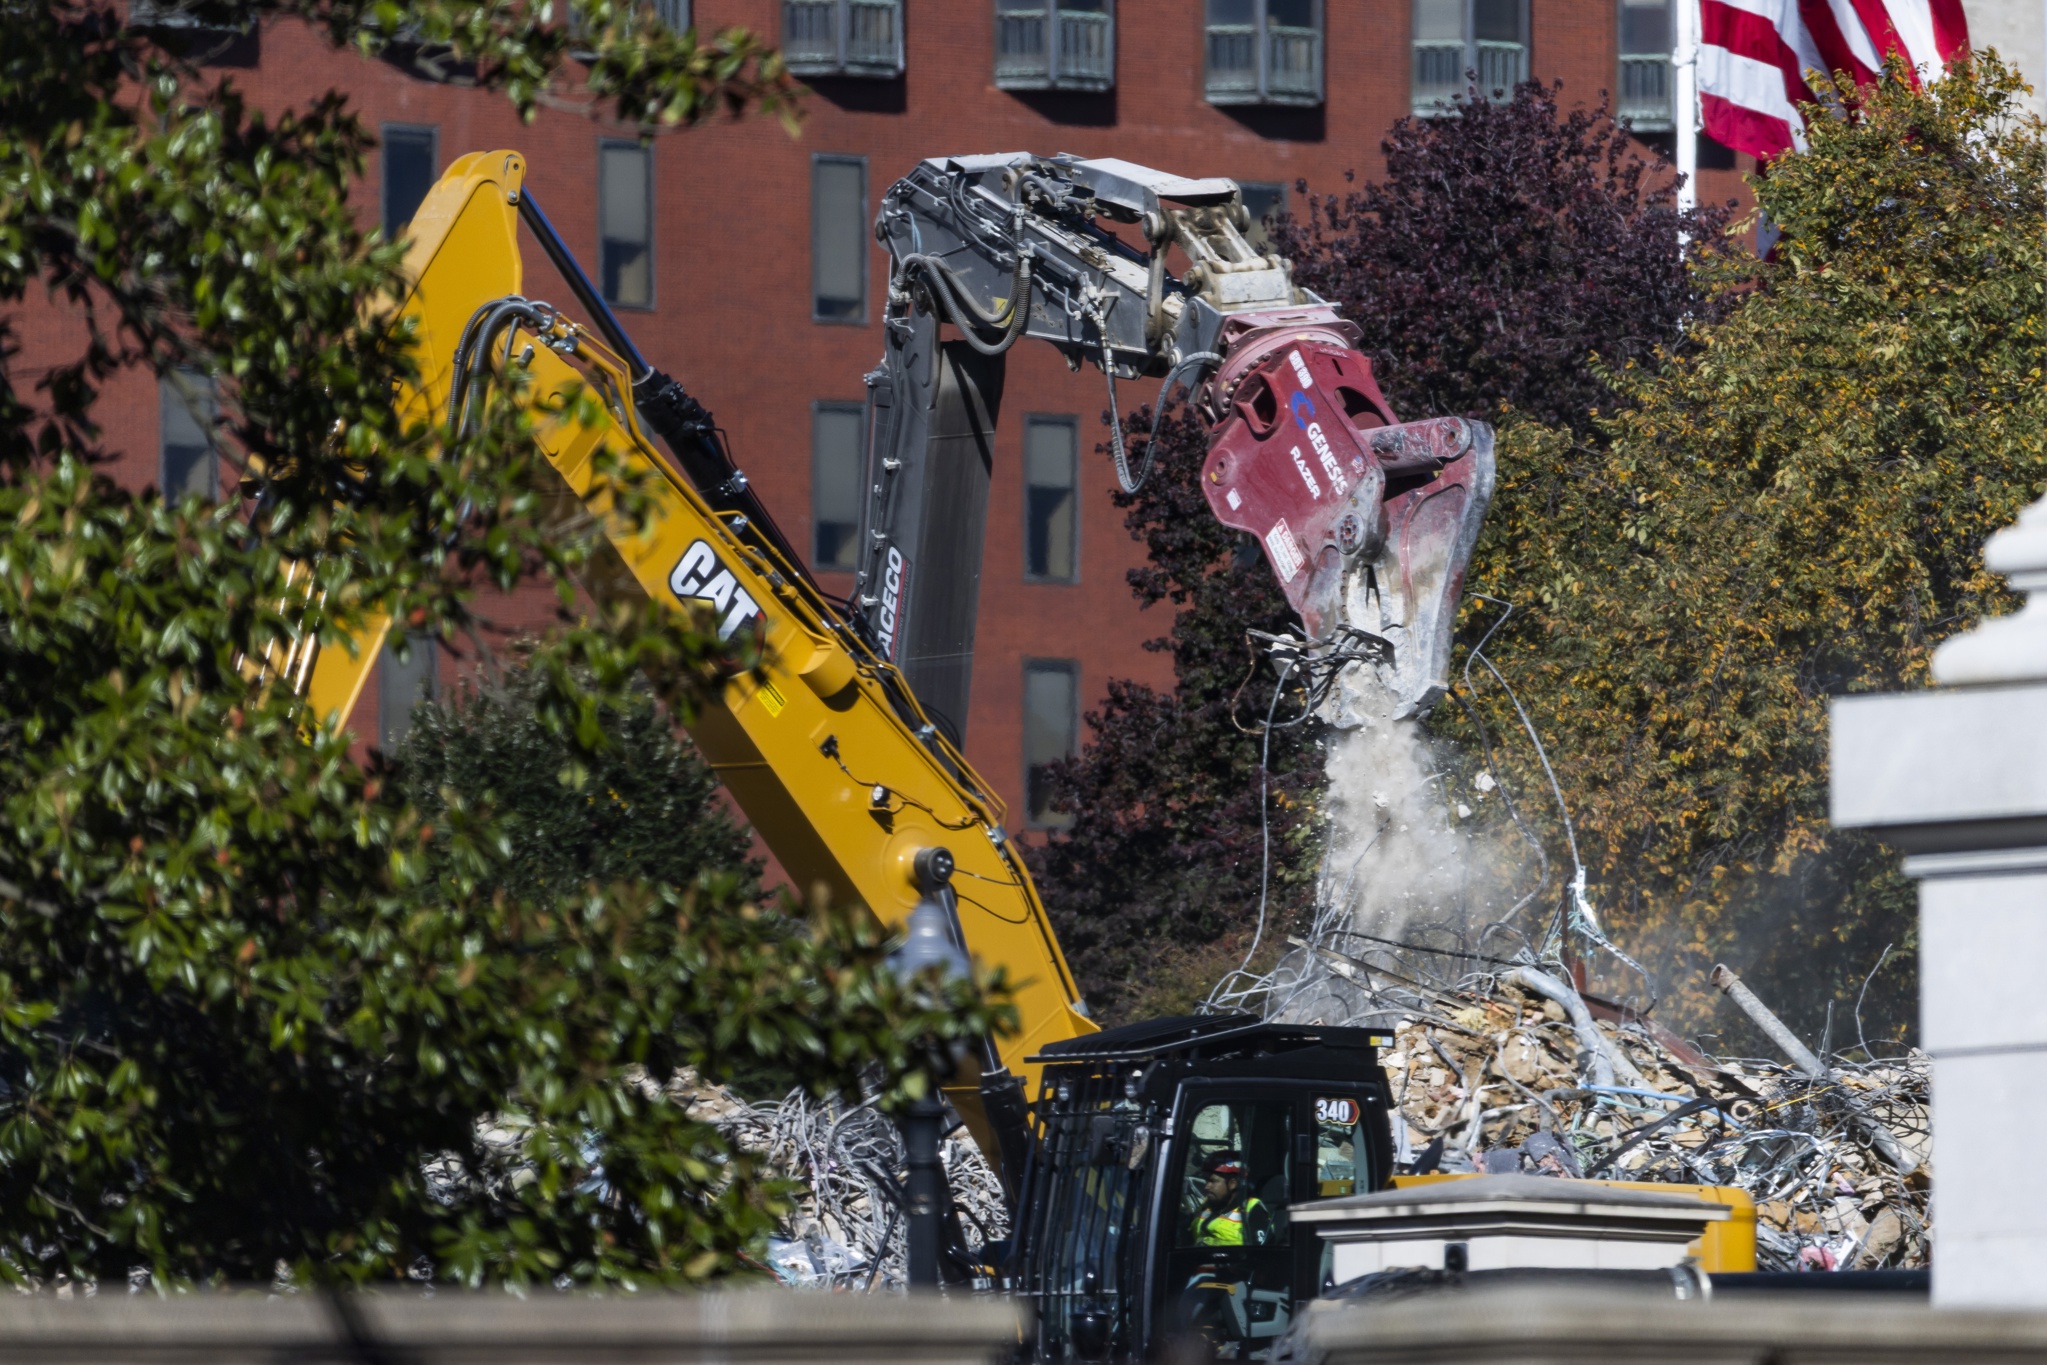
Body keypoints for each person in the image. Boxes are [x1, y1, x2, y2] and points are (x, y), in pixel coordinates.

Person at [1190, 1152, 1273, 1247]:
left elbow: (1260, 1253)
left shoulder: (1251, 1210)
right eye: (1206, 1180)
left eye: (1213, 1181)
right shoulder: (1207, 1205)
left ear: (1233, 1183)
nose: (1206, 1186)